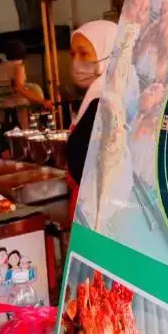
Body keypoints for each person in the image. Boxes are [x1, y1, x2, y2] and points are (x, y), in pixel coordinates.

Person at [65, 20, 117, 222]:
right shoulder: (96, 96)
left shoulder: (105, 102)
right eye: (73, 54)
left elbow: (83, 165)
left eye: (84, 53)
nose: (76, 62)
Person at [0, 40, 51, 130]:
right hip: (18, 111)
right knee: (24, 135)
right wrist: (42, 101)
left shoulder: (1, 66)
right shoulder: (18, 66)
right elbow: (19, 88)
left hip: (2, 112)